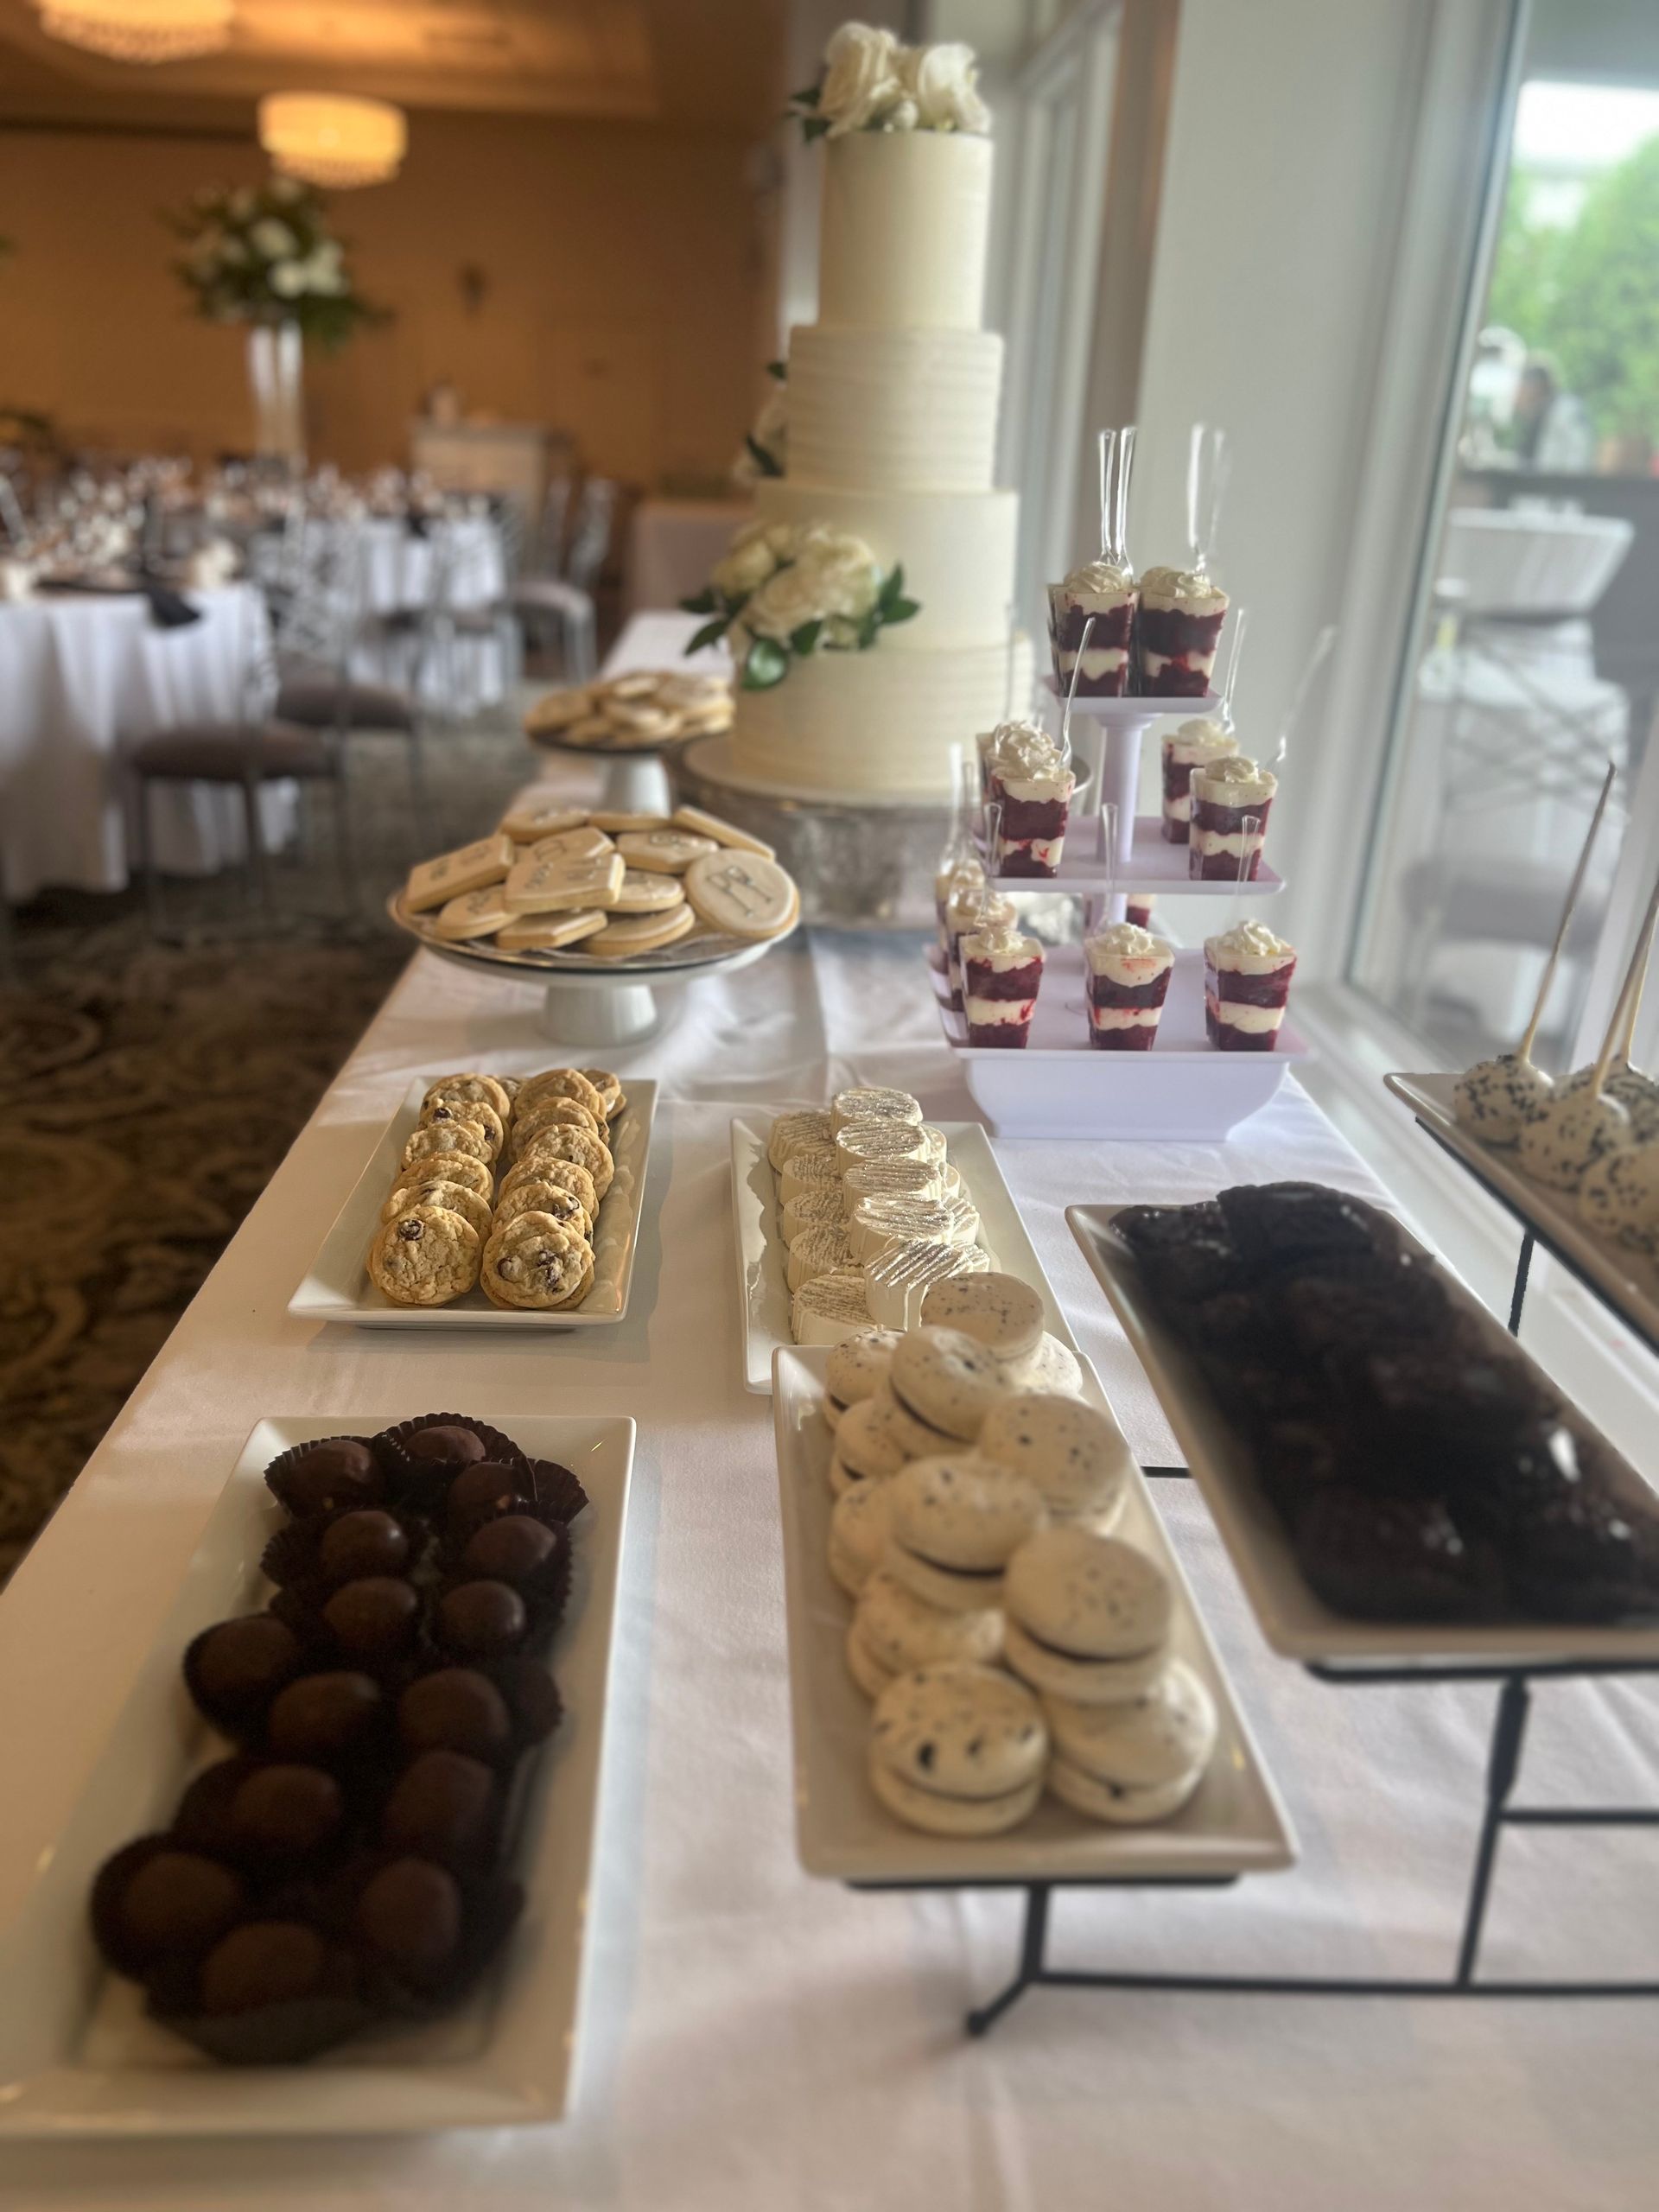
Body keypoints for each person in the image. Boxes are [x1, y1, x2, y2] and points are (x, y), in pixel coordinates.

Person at [1511, 355, 1595, 472]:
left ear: (1537, 386)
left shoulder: (1568, 409)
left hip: (1560, 481)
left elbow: (1580, 452)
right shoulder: (1537, 414)